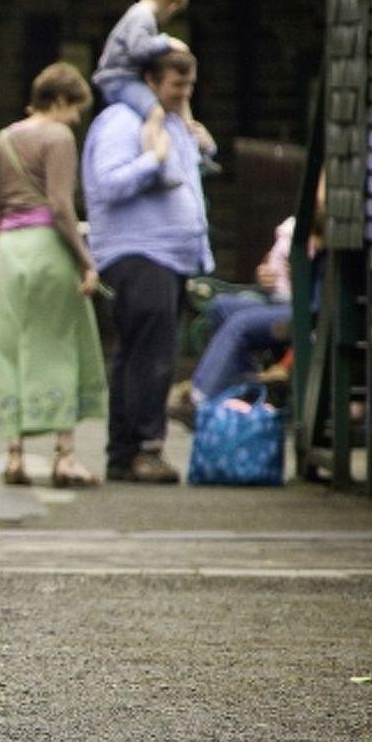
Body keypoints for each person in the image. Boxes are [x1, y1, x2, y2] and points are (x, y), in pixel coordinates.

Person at [0, 63, 106, 488]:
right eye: (75, 108)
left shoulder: (4, 138)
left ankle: (14, 456)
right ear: (60, 101)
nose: (76, 119)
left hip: (10, 253)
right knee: (60, 344)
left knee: (11, 345)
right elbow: (62, 206)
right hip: (48, 248)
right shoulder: (58, 137)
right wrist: (86, 260)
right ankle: (64, 458)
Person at [82, 48, 213, 482]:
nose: (184, 93)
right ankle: (145, 448)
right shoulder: (122, 122)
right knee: (151, 357)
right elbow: (108, 182)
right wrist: (153, 160)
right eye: (177, 85)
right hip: (138, 252)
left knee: (135, 353)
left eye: (190, 85)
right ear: (151, 81)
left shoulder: (172, 122)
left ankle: (124, 452)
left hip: (168, 254)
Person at [172, 216, 295, 421]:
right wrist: (263, 274)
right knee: (222, 306)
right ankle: (240, 390)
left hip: (300, 309)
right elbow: (270, 264)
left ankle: (200, 399)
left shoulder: (321, 232)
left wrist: (302, 271)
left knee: (241, 323)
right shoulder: (291, 226)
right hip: (274, 299)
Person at [92, 0, 218, 165]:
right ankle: (154, 159)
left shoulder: (138, 14)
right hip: (119, 79)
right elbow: (138, 48)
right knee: (156, 113)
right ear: (171, 7)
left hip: (124, 77)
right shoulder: (142, 16)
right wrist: (166, 41)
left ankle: (195, 151)